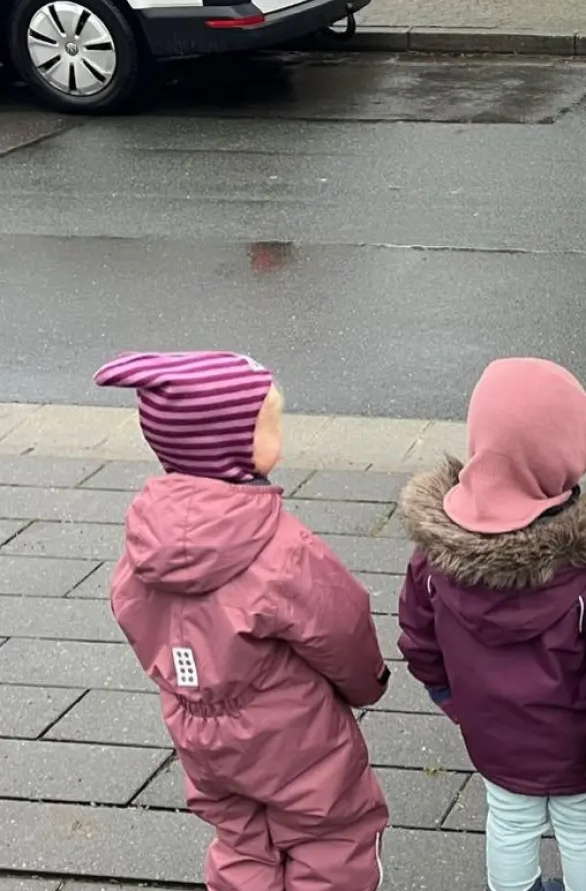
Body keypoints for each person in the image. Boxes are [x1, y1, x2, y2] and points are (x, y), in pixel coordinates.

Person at [95, 351, 391, 891]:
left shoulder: (143, 541)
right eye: (269, 425)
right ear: (236, 444)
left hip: (198, 729)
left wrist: (186, 679)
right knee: (330, 834)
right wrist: (366, 685)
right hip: (294, 731)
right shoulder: (284, 547)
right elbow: (340, 626)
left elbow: (130, 608)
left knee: (240, 837)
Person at [395, 358, 586, 891]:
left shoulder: (434, 555)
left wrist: (448, 696)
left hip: (491, 734)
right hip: (580, 743)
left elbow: (418, 637)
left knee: (508, 820)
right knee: (584, 826)